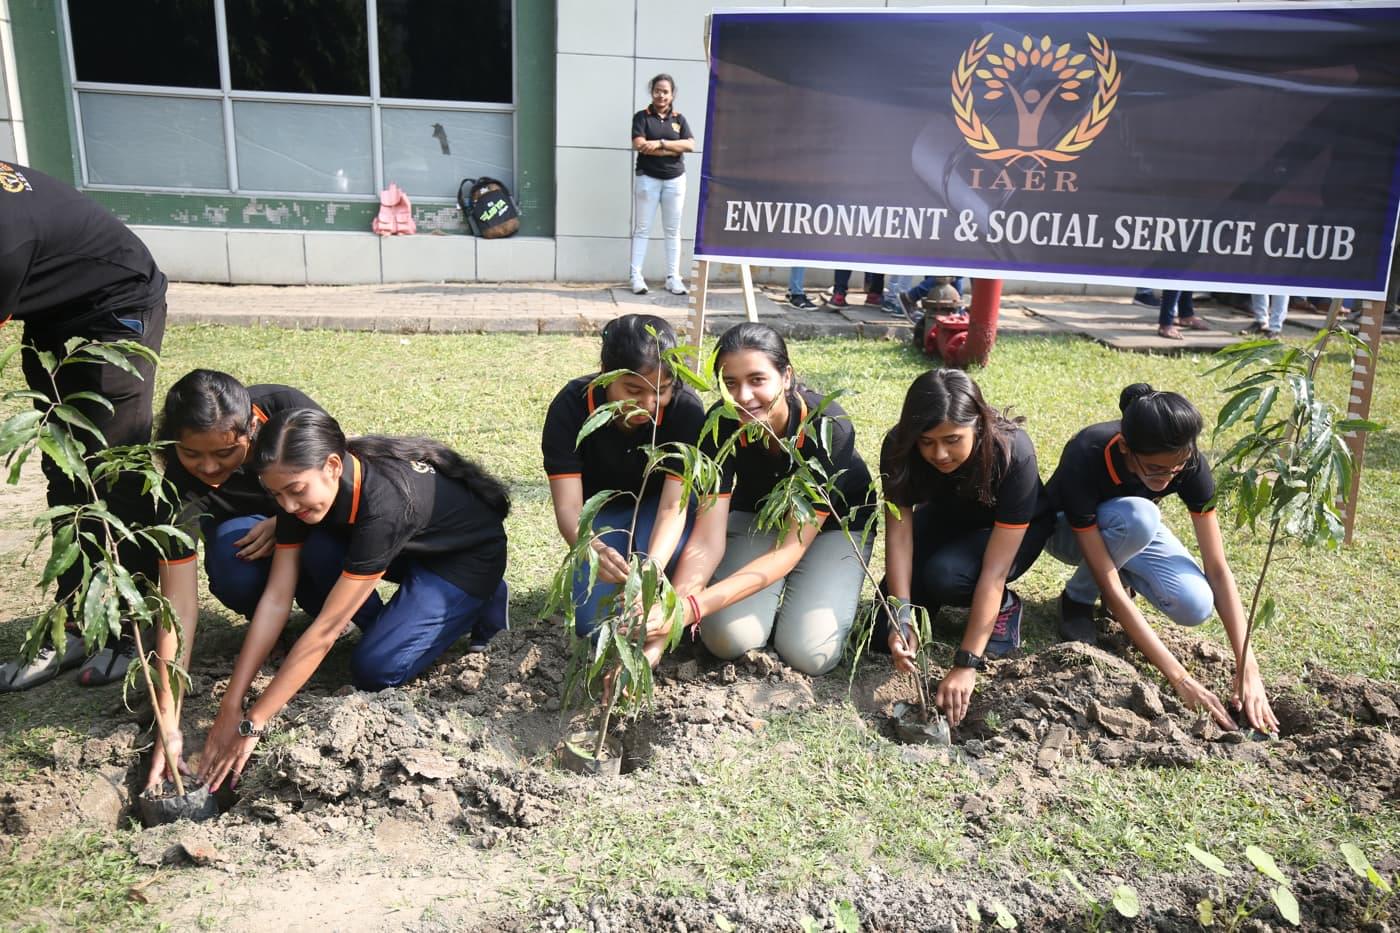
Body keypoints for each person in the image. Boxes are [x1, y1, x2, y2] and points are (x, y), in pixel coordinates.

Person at [197, 409, 510, 792]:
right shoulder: (299, 490)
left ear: (332, 465)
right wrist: (231, 705)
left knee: (377, 668)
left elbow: (325, 631)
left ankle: (484, 597)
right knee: (314, 552)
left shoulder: (387, 502)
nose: (288, 506)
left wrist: (253, 723)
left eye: (295, 491)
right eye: (276, 495)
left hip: (463, 557)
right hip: (407, 548)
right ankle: (400, 622)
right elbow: (277, 600)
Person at [0, 161, 169, 691]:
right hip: (50, 314)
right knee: (61, 467)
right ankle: (76, 621)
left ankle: (132, 631)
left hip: (116, 305)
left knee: (113, 468)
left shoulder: (4, 238)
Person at [1044, 384, 1279, 733]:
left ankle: (1128, 568)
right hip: (1067, 532)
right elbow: (1106, 579)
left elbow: (1216, 566)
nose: (1168, 478)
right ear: (1126, 448)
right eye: (1155, 469)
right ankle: (1076, 600)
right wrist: (1180, 679)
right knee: (1140, 517)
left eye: (1177, 468)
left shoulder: (1189, 463)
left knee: (1195, 604)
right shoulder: (1088, 451)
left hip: (1127, 528)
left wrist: (1248, 668)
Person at [662, 323, 877, 675]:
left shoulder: (828, 425)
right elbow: (706, 538)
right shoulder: (720, 424)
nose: (743, 396)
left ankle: (810, 592)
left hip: (834, 525)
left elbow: (789, 549)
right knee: (726, 640)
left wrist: (694, 608)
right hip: (758, 514)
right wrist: (677, 610)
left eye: (757, 379)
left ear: (786, 376)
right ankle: (770, 601)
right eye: (729, 383)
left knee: (809, 655)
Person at [877, 370, 1055, 726]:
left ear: (978, 424)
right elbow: (899, 536)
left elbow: (995, 570)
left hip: (1011, 531)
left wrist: (967, 662)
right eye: (926, 442)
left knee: (946, 575)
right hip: (950, 518)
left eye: (952, 439)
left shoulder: (1013, 452)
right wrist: (901, 617)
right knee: (879, 634)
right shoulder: (899, 446)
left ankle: (1004, 608)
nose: (939, 453)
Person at [542, 314, 705, 635]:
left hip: (662, 508)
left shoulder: (686, 410)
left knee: (654, 586)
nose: (648, 404)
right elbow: (569, 509)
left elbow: (674, 506)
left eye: (662, 390)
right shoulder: (570, 407)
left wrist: (654, 566)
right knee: (594, 624)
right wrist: (593, 549)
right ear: (605, 374)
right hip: (602, 512)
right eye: (633, 390)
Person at [629, 74, 694, 297]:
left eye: (665, 91)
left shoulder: (679, 119)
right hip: (648, 178)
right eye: (657, 90)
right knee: (643, 228)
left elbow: (690, 144)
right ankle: (636, 276)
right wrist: (673, 148)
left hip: (675, 179)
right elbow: (640, 144)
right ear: (652, 92)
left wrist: (660, 143)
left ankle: (673, 277)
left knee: (673, 230)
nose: (661, 95)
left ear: (672, 94)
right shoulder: (642, 117)